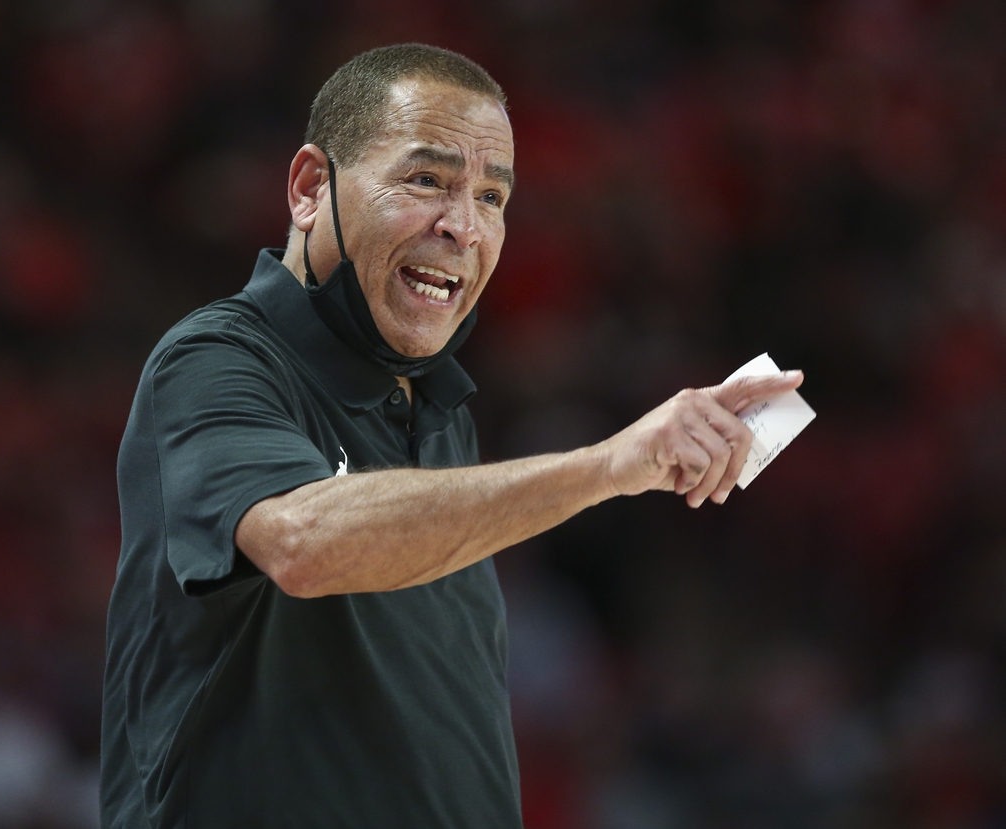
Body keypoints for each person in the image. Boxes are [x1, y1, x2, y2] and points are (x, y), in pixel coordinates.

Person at [100, 44, 804, 828]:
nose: (464, 226)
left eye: (493, 197)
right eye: (427, 180)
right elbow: (302, 541)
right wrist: (611, 464)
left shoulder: (440, 416)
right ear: (309, 188)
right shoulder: (217, 358)